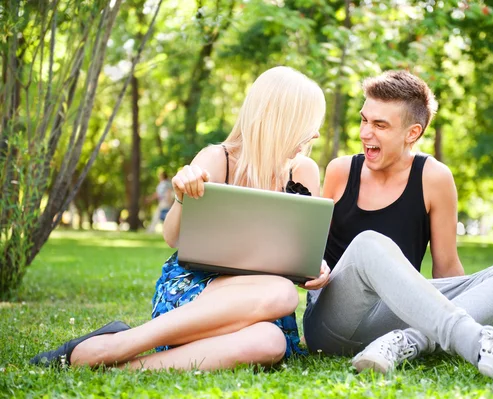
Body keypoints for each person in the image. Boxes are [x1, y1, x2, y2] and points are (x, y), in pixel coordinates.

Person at [30, 66, 330, 371]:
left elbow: (302, 255)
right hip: (198, 293)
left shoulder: (304, 172)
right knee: (279, 292)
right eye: (309, 123)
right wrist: (181, 197)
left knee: (271, 342)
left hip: (260, 310)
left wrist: (315, 268)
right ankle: (124, 343)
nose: (316, 134)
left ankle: (120, 366)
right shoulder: (217, 159)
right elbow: (172, 238)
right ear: (283, 121)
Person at [302, 70, 493, 381]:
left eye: (380, 125)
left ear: (412, 132)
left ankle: (406, 342)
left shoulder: (434, 178)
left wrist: (463, 298)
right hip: (332, 324)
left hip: (393, 318)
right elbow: (311, 254)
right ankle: (483, 348)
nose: (366, 133)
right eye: (365, 120)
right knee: (369, 244)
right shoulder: (341, 171)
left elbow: (446, 267)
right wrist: (316, 268)